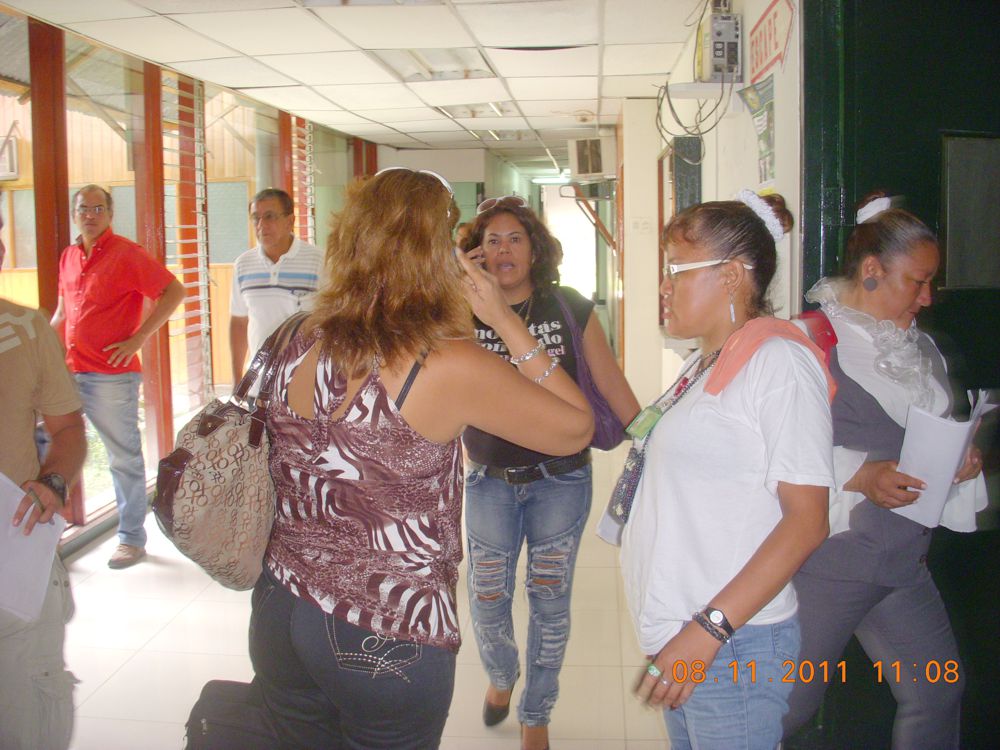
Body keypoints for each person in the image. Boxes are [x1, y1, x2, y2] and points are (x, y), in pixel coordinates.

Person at [246, 168, 593, 749]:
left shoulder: (292, 334)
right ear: (435, 252)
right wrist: (504, 320)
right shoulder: (445, 363)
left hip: (280, 607)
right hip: (381, 632)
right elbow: (574, 427)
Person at [619, 192, 835, 750]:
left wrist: (709, 628)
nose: (663, 287)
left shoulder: (779, 364)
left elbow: (807, 520)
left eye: (676, 271)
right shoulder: (704, 363)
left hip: (729, 643)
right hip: (687, 638)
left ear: (734, 276)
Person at [783, 193, 987, 749]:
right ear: (872, 270)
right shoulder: (805, 341)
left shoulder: (919, 346)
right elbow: (770, 447)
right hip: (833, 563)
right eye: (916, 282)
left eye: (931, 283)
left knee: (938, 691)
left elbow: (931, 428)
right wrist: (861, 473)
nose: (926, 298)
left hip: (903, 564)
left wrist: (959, 459)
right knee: (786, 706)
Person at [460, 195, 640, 750]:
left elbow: (611, 385)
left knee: (549, 599)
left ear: (535, 248)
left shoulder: (569, 307)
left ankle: (537, 712)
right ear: (476, 254)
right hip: (489, 477)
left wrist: (653, 442)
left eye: (515, 238)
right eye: (491, 240)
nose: (504, 249)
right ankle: (500, 675)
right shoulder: (458, 311)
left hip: (560, 479)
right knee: (486, 598)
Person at [51, 184, 184, 569]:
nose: (89, 215)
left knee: (122, 458)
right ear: (75, 214)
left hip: (111, 376)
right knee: (56, 448)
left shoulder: (127, 254)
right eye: (83, 208)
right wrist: (44, 350)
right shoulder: (69, 257)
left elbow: (174, 292)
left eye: (98, 208)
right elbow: (63, 314)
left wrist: (138, 338)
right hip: (69, 372)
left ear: (110, 214)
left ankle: (131, 539)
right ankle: (48, 535)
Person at [1, 190, 87, 750]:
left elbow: (68, 432)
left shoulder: (29, 331)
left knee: (30, 716)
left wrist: (54, 483)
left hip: (14, 552)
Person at [229, 188, 325, 382]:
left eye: (270, 216)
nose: (261, 225)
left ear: (291, 221)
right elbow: (239, 323)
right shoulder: (243, 265)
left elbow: (333, 321)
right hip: (258, 384)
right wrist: (237, 380)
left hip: (306, 383)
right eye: (256, 218)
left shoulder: (318, 261)